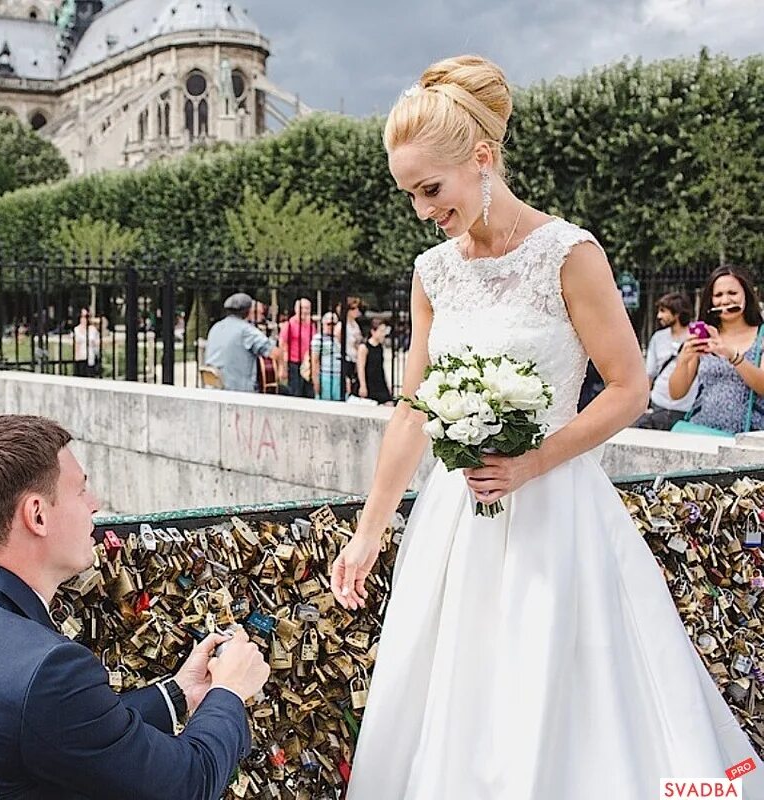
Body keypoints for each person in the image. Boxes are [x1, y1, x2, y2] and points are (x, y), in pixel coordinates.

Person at [330, 55, 760, 799]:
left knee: (556, 694)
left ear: (483, 158)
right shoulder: (432, 270)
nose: (421, 209)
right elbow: (412, 409)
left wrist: (532, 464)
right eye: (408, 194)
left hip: (556, 516)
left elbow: (628, 390)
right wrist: (368, 532)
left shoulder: (570, 253)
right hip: (456, 522)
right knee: (457, 702)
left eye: (430, 189)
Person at [0, 415, 269, 799]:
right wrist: (228, 692)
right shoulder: (46, 668)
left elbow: (59, 727)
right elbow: (186, 784)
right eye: (81, 488)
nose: (96, 502)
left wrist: (179, 694)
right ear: (37, 515)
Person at [669, 265, 764, 434]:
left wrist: (733, 357)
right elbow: (676, 393)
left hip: (747, 437)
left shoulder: (761, 335)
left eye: (732, 293)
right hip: (702, 433)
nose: (725, 301)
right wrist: (683, 360)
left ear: (747, 295)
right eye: (718, 295)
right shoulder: (705, 335)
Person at [633, 292, 698, 429]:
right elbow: (650, 373)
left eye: (663, 311)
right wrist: (643, 403)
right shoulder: (658, 337)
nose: (659, 316)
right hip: (659, 403)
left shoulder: (695, 338)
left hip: (686, 408)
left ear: (677, 313)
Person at [203, 292, 278, 392]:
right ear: (249, 311)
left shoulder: (216, 327)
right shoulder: (246, 331)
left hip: (213, 388)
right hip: (237, 390)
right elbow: (274, 353)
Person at [278, 298, 315, 398]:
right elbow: (282, 346)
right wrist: (283, 367)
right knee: (296, 392)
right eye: (302, 308)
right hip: (294, 363)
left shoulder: (311, 325)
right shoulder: (289, 325)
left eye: (307, 308)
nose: (305, 311)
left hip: (307, 363)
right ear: (296, 309)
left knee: (309, 393)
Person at [310, 312, 343, 401]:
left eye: (334, 324)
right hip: (325, 376)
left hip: (339, 375)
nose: (331, 327)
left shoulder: (340, 339)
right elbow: (315, 361)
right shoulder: (318, 338)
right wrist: (316, 380)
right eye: (329, 324)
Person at [342, 300, 365, 397]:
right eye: (353, 309)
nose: (357, 311)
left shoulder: (355, 325)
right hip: (347, 357)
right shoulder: (343, 325)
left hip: (355, 357)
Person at [72, 309, 100, 377]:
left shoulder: (93, 329)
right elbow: (76, 345)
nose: (84, 319)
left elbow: (98, 342)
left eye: (87, 316)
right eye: (83, 316)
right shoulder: (76, 330)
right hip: (81, 358)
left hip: (91, 358)